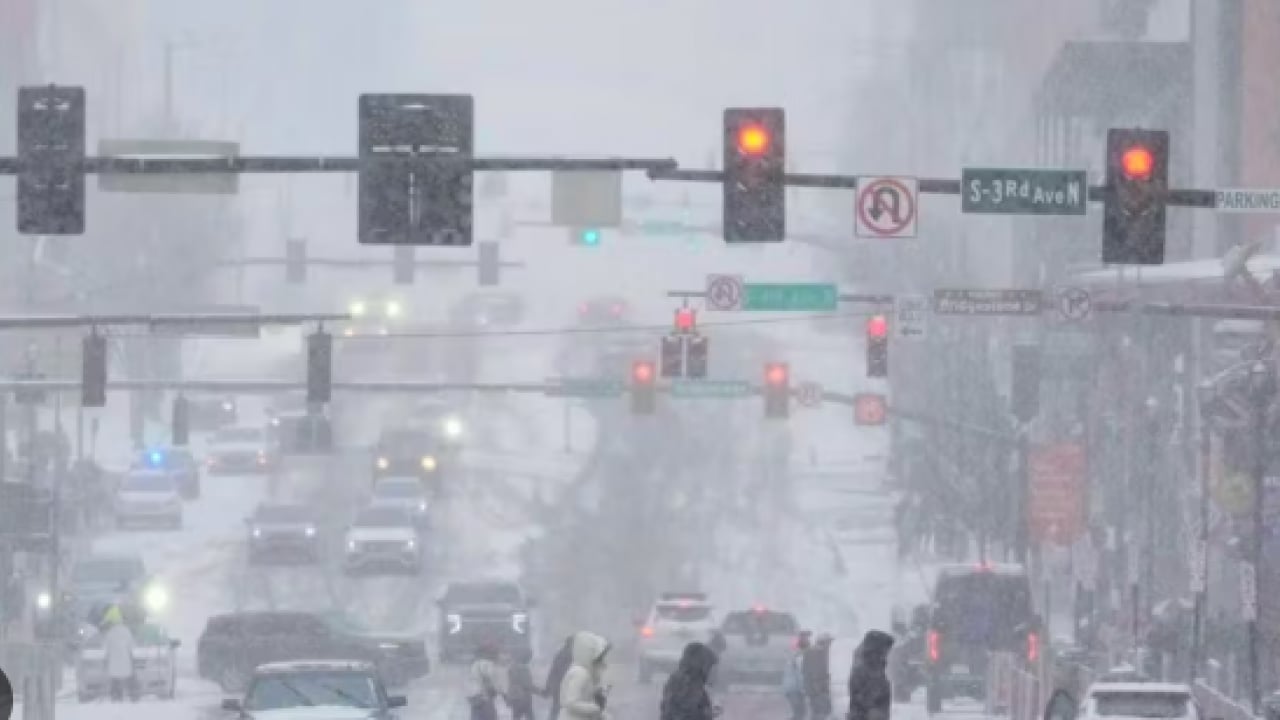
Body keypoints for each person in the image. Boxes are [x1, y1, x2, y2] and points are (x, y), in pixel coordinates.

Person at [660, 642, 719, 720]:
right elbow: (682, 712)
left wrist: (707, 712)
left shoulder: (685, 679)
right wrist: (705, 714)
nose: (710, 671)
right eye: (709, 666)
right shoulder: (687, 682)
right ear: (701, 664)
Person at [559, 631, 611, 720]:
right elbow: (571, 703)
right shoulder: (580, 673)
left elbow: (585, 698)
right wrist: (596, 707)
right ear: (588, 654)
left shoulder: (585, 672)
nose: (601, 661)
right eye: (599, 658)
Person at [847, 630, 895, 720]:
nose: (886, 654)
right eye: (884, 651)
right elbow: (860, 698)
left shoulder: (876, 667)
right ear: (876, 650)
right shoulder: (862, 669)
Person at [101, 605, 137, 702]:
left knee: (115, 679)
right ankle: (133, 695)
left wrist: (105, 660)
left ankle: (116, 696)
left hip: (114, 661)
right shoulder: (127, 631)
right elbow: (131, 646)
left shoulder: (109, 633)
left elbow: (106, 648)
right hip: (126, 660)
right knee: (129, 677)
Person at [468, 643, 506, 720]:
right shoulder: (488, 664)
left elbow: (472, 680)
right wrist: (503, 693)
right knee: (490, 716)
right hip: (485, 696)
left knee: (476, 716)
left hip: (475, 697)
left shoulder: (475, 664)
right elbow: (493, 680)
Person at [803, 633, 834, 720]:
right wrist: (820, 689)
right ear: (824, 642)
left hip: (813, 687)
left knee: (817, 711)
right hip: (817, 688)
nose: (830, 645)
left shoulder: (813, 651)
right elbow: (816, 672)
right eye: (829, 642)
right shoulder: (817, 653)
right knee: (822, 711)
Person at [544, 635, 575, 720]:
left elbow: (553, 670)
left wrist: (548, 686)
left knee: (557, 707)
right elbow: (560, 670)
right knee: (560, 707)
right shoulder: (567, 654)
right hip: (562, 685)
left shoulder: (562, 653)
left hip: (559, 685)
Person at [783, 632, 811, 720]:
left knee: (799, 713)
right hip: (794, 689)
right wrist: (804, 689)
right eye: (806, 639)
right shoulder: (799, 656)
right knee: (800, 713)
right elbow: (800, 674)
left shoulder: (796, 654)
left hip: (792, 688)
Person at [507, 646, 539, 720]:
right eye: (529, 657)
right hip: (523, 698)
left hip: (515, 698)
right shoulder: (523, 668)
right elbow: (527, 684)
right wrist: (540, 692)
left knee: (516, 717)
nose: (529, 660)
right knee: (530, 717)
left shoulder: (512, 666)